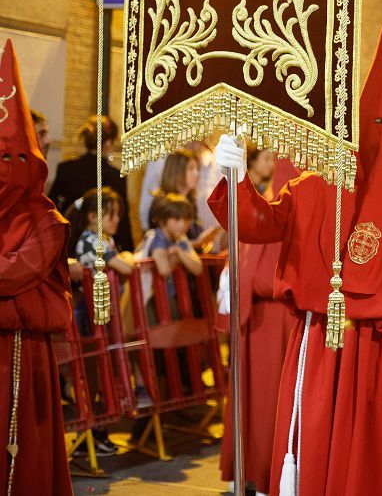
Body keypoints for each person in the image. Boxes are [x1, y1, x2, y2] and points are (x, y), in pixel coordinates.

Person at [209, 0, 382, 496]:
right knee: (319, 463)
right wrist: (235, 180)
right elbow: (262, 225)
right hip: (322, 348)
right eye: (375, 122)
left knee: (381, 470)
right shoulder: (321, 184)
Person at [0, 39, 74, 495]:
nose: (7, 169)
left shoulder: (47, 221)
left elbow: (18, 272)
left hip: (22, 357)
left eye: (14, 158)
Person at [218, 159, 299, 496]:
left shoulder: (281, 205)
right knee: (261, 404)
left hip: (280, 319)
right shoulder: (270, 204)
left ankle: (269, 474)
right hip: (263, 319)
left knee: (270, 405)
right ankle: (258, 470)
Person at [64, 186, 137, 457]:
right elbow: (126, 267)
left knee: (103, 375)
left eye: (117, 214)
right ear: (94, 217)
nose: (116, 219)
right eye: (110, 215)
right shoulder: (92, 241)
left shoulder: (103, 240)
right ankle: (90, 434)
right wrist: (129, 258)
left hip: (101, 316)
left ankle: (99, 432)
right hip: (90, 316)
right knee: (93, 377)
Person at [48, 115, 133, 252]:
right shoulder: (115, 175)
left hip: (69, 241)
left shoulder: (66, 168)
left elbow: (52, 206)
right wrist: (128, 250)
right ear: (108, 143)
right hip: (101, 244)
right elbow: (122, 219)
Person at [148, 149, 222, 252]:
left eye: (197, 169)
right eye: (191, 169)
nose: (197, 174)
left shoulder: (191, 202)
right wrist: (197, 243)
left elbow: (194, 237)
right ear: (176, 171)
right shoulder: (161, 203)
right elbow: (162, 244)